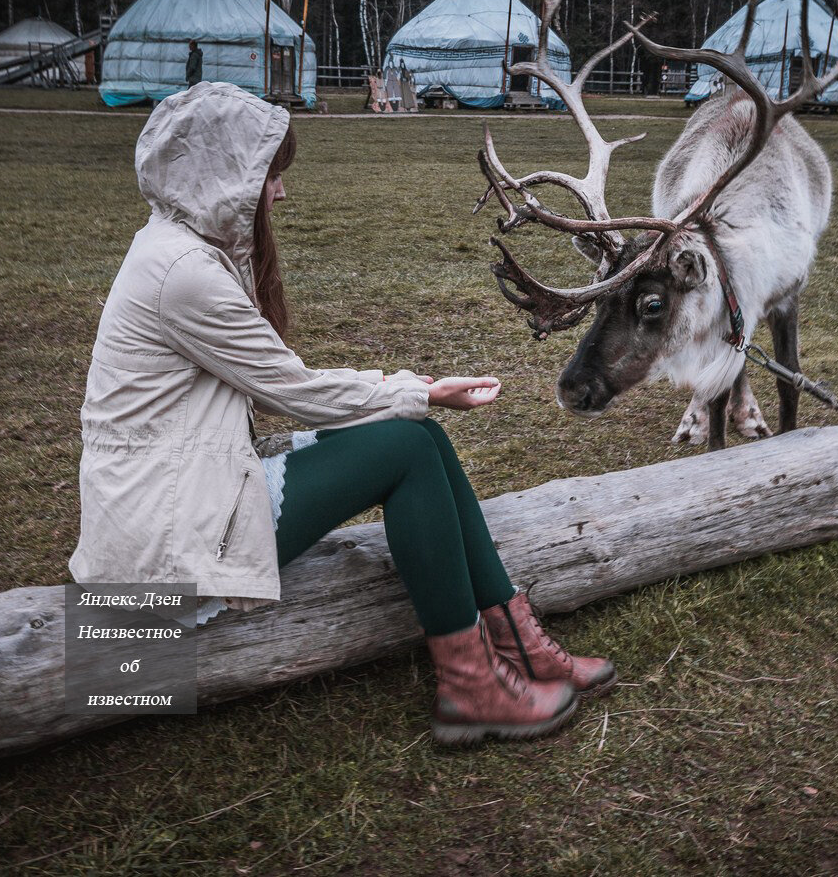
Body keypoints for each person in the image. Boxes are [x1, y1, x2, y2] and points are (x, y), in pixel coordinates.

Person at [71, 82, 613, 745]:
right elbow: (291, 390)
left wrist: (413, 392)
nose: (279, 192)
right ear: (220, 176)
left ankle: (519, 645)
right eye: (268, 175)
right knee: (407, 450)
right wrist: (420, 390)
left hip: (182, 493)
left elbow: (284, 387)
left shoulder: (178, 249)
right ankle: (471, 686)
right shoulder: (181, 271)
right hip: (163, 547)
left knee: (423, 440)